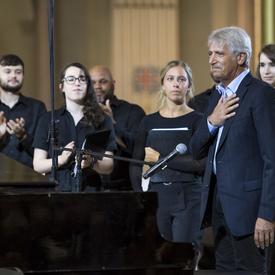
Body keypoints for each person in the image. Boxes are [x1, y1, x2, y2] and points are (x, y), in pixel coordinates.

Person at [190, 26, 275, 274]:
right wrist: (211, 122)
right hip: (219, 208)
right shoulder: (217, 97)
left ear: (240, 58)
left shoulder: (261, 95)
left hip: (250, 211)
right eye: (209, 54)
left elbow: (272, 159)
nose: (212, 59)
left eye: (219, 53)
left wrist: (267, 214)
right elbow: (196, 149)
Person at [130, 60, 205, 253]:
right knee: (158, 254)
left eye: (181, 79)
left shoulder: (198, 120)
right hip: (157, 196)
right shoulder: (148, 121)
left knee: (184, 254)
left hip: (189, 196)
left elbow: (200, 164)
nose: (176, 84)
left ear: (188, 85)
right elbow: (136, 164)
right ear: (163, 85)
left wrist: (161, 158)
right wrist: (140, 196)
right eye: (170, 79)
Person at [33, 62, 117, 192]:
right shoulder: (47, 119)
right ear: (62, 87)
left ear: (88, 85)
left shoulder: (102, 119)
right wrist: (60, 159)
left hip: (91, 192)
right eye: (71, 79)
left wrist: (92, 162)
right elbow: (38, 164)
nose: (77, 83)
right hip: (56, 191)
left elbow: (109, 165)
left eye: (82, 79)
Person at [89, 65, 145, 191]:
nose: (97, 86)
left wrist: (112, 123)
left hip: (124, 188)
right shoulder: (77, 114)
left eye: (103, 81)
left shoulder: (133, 111)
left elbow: (138, 149)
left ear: (113, 84)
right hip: (87, 188)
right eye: (92, 82)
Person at [0, 54, 47, 168]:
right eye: (8, 71)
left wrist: (23, 136)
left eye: (18, 72)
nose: (13, 76)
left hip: (30, 180)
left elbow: (46, 150)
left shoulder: (37, 108)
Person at [257, 44, 275, 275]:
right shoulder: (256, 99)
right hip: (260, 191)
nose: (267, 70)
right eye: (262, 65)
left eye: (272, 64)